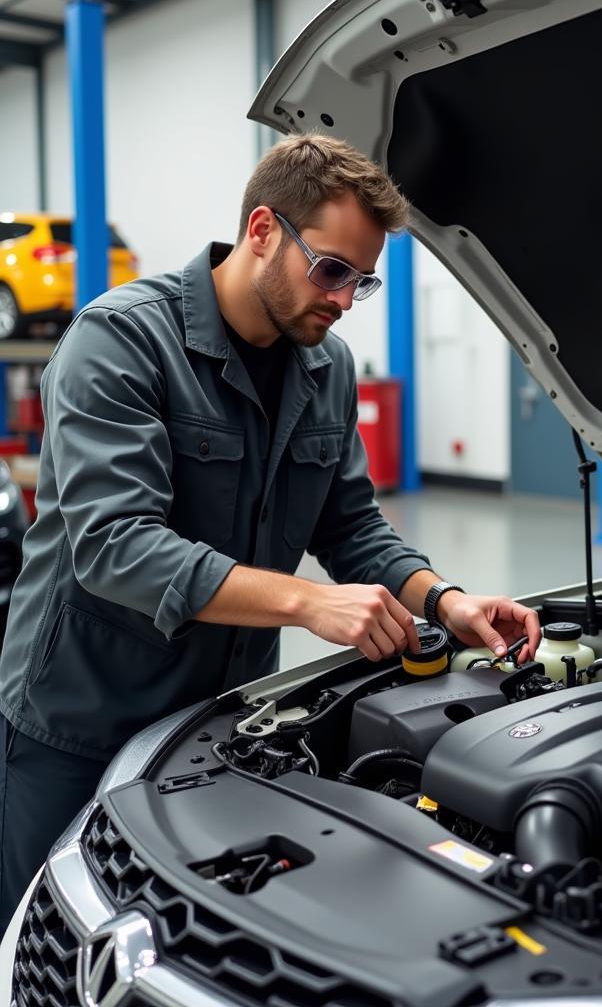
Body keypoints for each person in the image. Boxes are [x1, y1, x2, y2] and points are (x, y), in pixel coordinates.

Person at [0, 134, 540, 931]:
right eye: (331, 270)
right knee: (43, 936)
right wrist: (306, 603)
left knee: (180, 931)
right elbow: (115, 546)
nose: (344, 299)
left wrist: (444, 601)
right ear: (262, 231)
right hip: (80, 716)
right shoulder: (120, 342)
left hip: (215, 722)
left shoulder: (328, 370)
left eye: (362, 280)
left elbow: (351, 525)